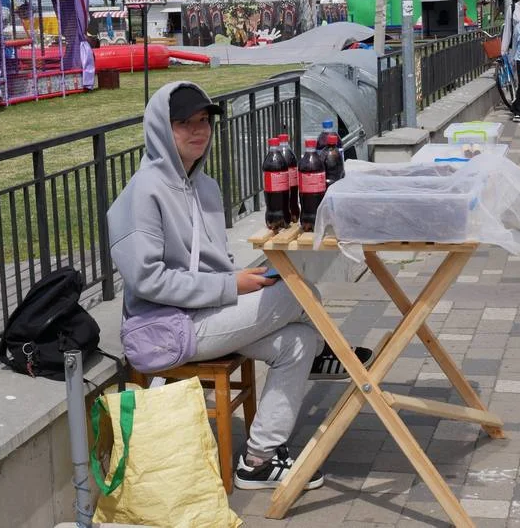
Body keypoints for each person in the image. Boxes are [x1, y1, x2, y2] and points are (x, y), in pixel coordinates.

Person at [107, 81, 373, 490]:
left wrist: (244, 283)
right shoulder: (142, 192)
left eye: (203, 121)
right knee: (298, 292)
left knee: (299, 338)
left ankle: (258, 460)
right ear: (161, 127)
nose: (198, 130)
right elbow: (147, 280)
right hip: (165, 328)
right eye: (184, 123)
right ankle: (330, 352)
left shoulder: (206, 187)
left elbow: (213, 264)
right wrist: (232, 286)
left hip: (209, 315)